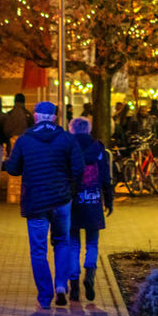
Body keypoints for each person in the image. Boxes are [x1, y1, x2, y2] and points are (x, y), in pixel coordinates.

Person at [2, 100, 83, 310]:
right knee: (62, 242)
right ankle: (61, 286)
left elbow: (12, 169)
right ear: (55, 117)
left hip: (36, 202)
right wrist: (70, 191)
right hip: (61, 200)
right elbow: (78, 167)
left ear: (36, 116)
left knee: (38, 250)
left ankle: (45, 296)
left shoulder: (24, 139)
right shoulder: (66, 138)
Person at [67, 117, 112, 302]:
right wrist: (109, 201)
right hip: (93, 200)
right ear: (89, 129)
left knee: (74, 245)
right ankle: (90, 276)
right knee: (92, 243)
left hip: (73, 202)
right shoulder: (99, 149)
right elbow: (106, 177)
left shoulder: (68, 147)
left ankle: (75, 284)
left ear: (72, 129)